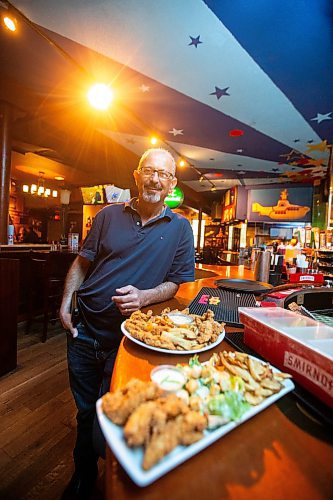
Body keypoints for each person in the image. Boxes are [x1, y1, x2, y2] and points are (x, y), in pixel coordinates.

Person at [60, 148, 195, 498]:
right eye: (149, 171)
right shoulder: (107, 215)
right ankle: (84, 478)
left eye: (163, 175)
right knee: (87, 413)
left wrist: (145, 296)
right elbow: (82, 263)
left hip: (128, 340)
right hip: (84, 330)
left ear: (171, 184)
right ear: (136, 176)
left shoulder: (180, 229)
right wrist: (64, 304)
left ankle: (115, 483)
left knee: (112, 422)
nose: (154, 179)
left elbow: (175, 283)